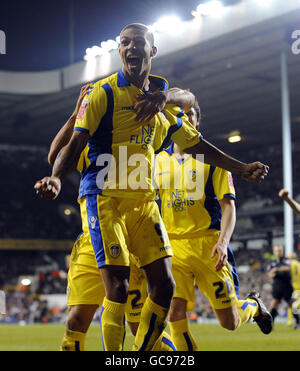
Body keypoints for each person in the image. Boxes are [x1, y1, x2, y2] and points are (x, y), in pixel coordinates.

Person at [35, 23, 268, 352]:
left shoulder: (161, 117)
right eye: (124, 43)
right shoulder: (103, 107)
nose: (130, 48)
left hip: (147, 219)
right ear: (119, 50)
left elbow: (193, 127)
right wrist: (61, 165)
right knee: (81, 318)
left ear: (152, 51)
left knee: (166, 301)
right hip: (101, 220)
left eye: (138, 42)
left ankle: (144, 354)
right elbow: (63, 152)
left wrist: (240, 168)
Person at [153, 100, 273, 350]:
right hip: (172, 247)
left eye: (191, 115)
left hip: (208, 245)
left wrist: (223, 242)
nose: (185, 119)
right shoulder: (157, 161)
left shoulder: (213, 159)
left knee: (229, 322)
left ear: (197, 122)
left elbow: (229, 206)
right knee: (174, 313)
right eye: (180, 115)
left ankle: (253, 306)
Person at [267, 245, 299, 328]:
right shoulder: (272, 263)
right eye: (277, 251)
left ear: (282, 251)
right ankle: (270, 324)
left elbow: (287, 268)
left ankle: (298, 322)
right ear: (274, 252)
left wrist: (276, 270)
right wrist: (272, 273)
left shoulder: (286, 260)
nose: (278, 252)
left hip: (287, 286)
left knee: (291, 304)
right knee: (274, 304)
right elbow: (270, 274)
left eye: (280, 251)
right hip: (277, 286)